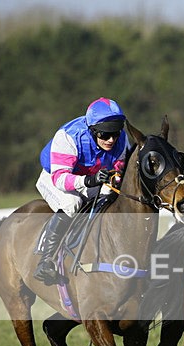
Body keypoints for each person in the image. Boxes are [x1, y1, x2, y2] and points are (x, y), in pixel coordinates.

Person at [33, 97, 130, 285]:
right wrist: (89, 180)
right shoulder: (69, 136)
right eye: (104, 135)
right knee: (72, 203)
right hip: (54, 177)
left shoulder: (121, 139)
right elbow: (60, 179)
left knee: (111, 196)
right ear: (92, 130)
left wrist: (115, 179)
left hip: (92, 178)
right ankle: (45, 261)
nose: (111, 140)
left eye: (115, 133)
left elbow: (119, 168)